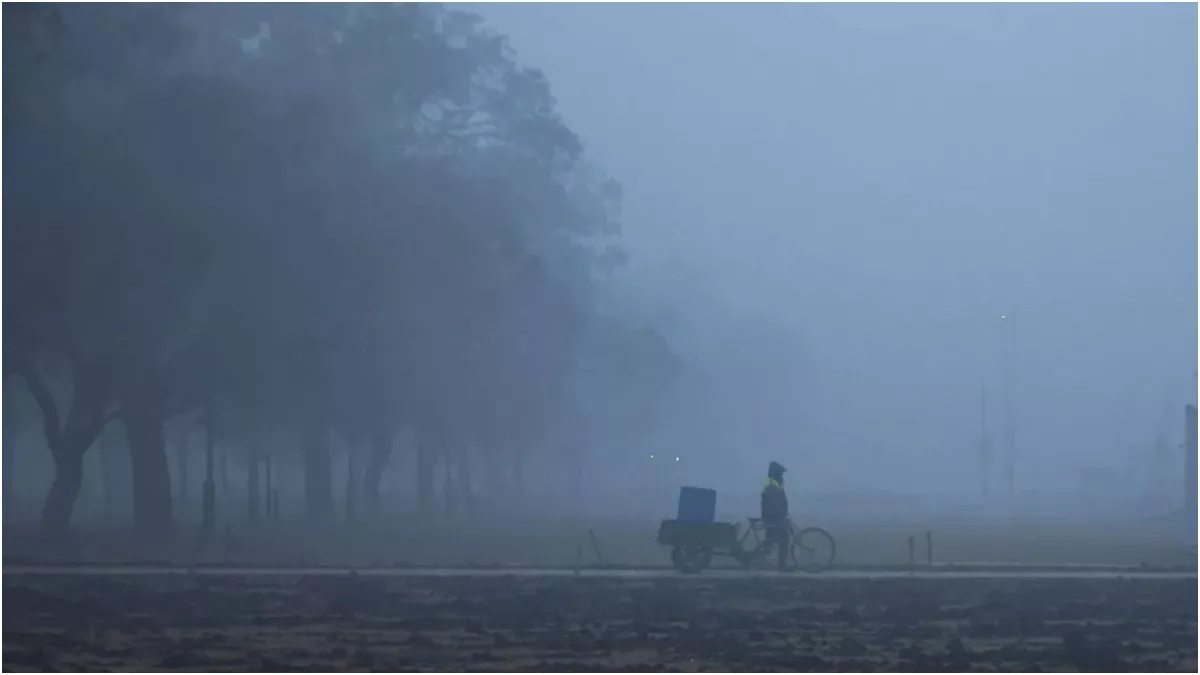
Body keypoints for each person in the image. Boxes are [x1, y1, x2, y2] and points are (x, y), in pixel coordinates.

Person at [760, 460, 791, 571]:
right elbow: (775, 505)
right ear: (776, 474)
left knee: (770, 540)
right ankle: (781, 566)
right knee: (784, 539)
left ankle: (761, 560)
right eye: (781, 474)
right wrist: (783, 517)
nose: (782, 477)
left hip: (772, 518)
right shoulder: (772, 486)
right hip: (774, 519)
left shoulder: (773, 484)